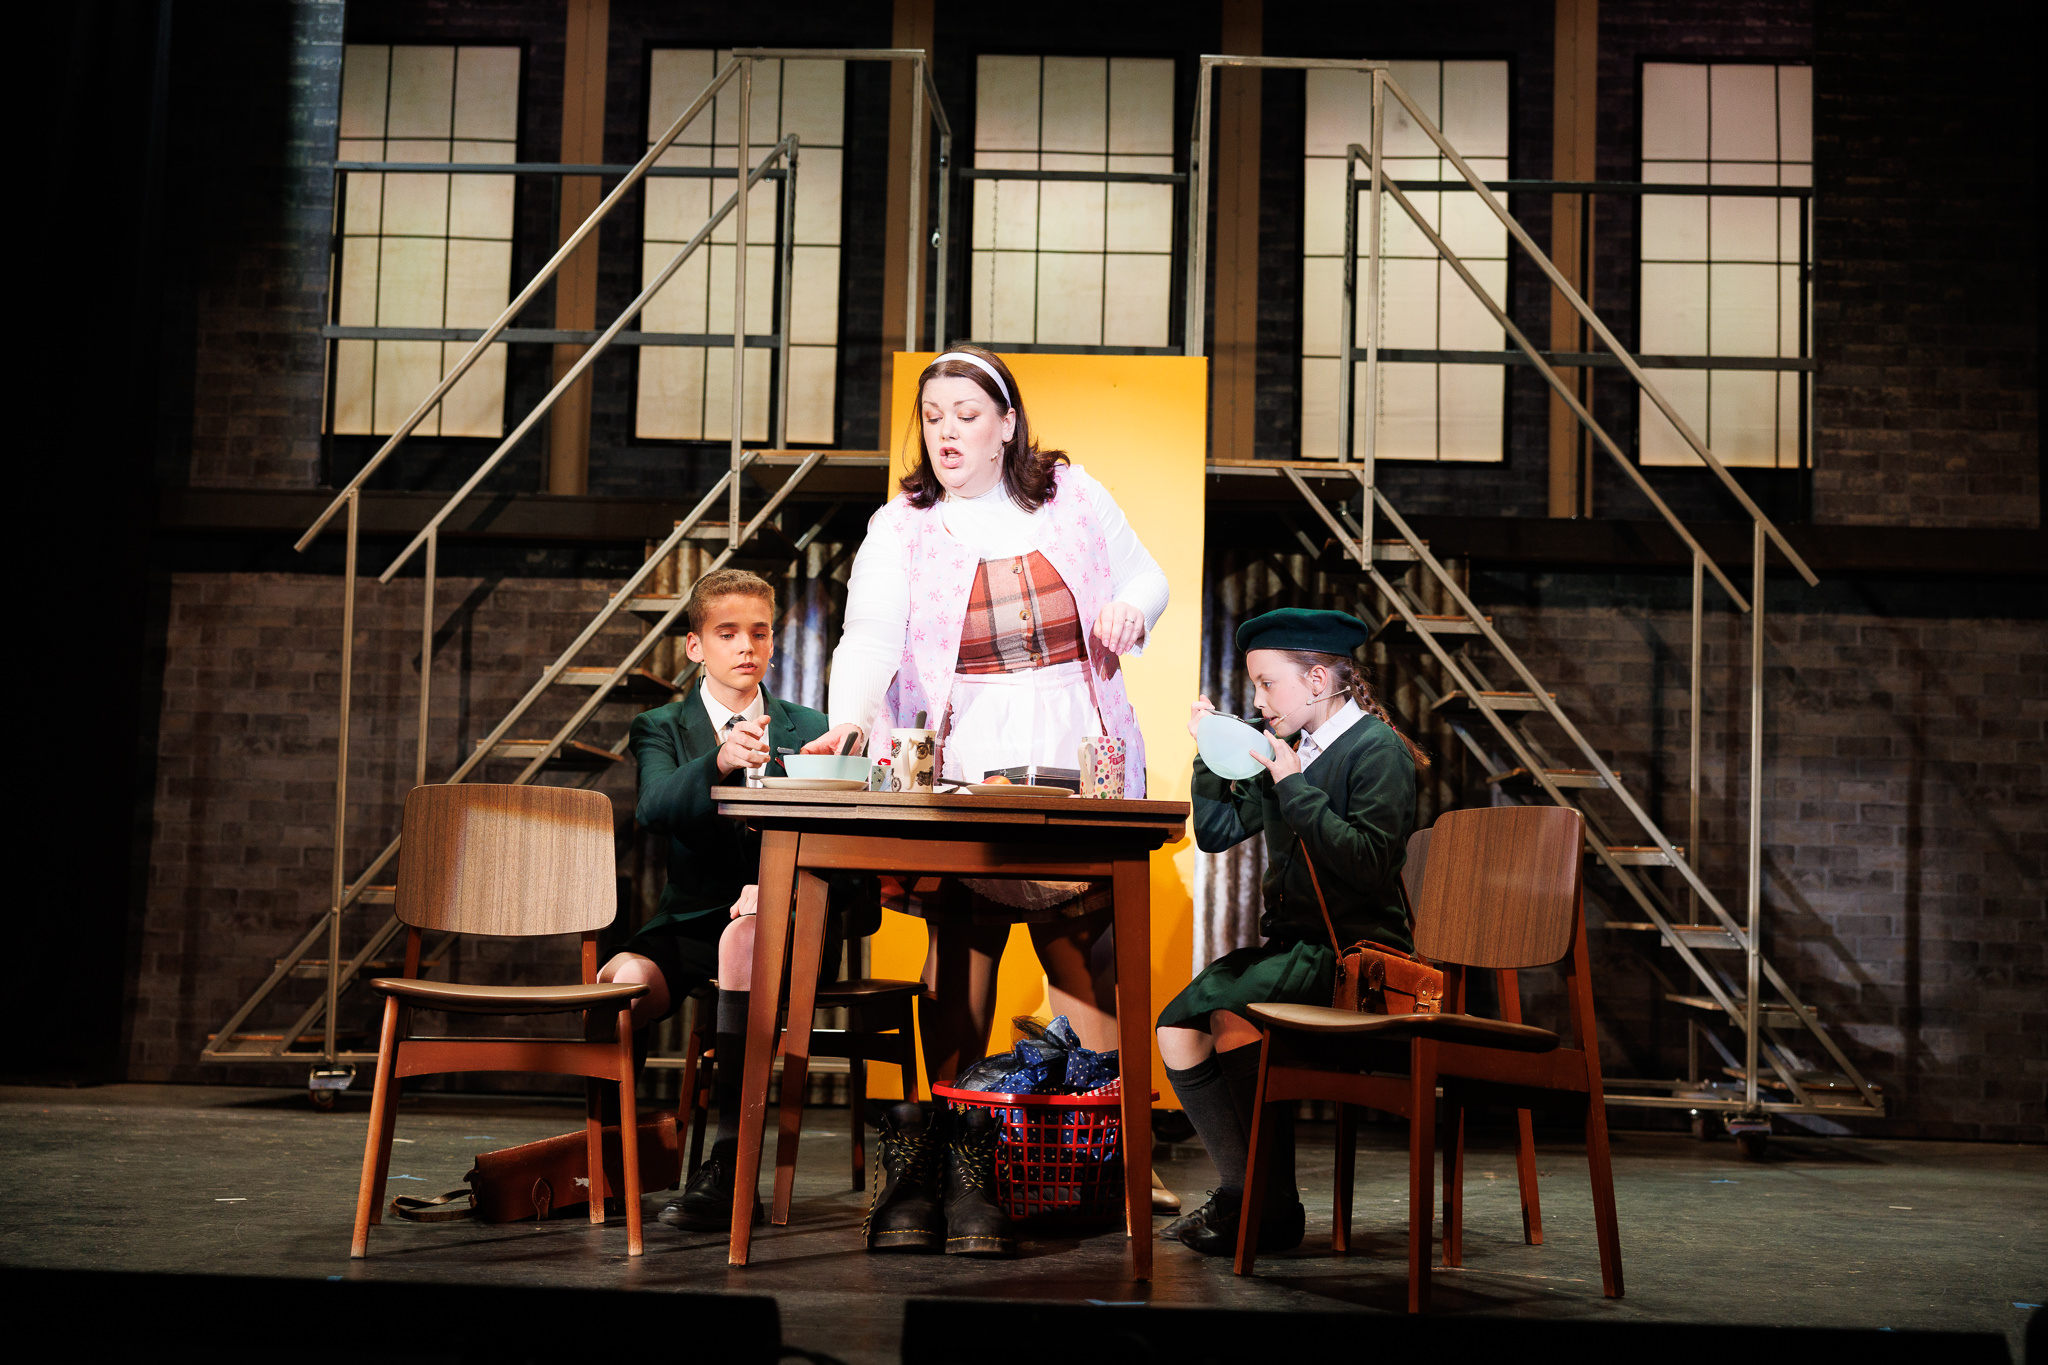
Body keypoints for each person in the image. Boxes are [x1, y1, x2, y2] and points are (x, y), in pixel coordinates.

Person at [803, 344, 1169, 1253]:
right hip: (966, 752)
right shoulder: (904, 524)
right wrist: (850, 720)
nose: (947, 432)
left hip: (1073, 744)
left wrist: (1134, 608)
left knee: (1084, 948)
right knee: (962, 952)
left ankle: (1098, 1153)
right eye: (933, 418)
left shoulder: (1071, 495)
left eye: (967, 415)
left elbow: (1145, 576)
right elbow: (869, 635)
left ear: (1007, 423)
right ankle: (961, 1157)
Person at [597, 568, 877, 1231]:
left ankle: (730, 1163)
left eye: (759, 632)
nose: (746, 647)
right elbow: (656, 807)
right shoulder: (662, 725)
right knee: (621, 984)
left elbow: (853, 855)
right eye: (727, 633)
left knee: (745, 935)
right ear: (696, 645)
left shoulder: (812, 726)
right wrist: (719, 760)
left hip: (789, 925)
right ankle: (608, 1166)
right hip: (692, 921)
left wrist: (781, 886)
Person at [1155, 607, 1429, 1256]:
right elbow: (1218, 831)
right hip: (1294, 950)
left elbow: (1368, 864)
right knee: (1176, 1028)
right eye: (1254, 686)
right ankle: (1246, 1192)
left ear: (1316, 680)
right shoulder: (1291, 750)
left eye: (1266, 683)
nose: (1258, 700)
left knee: (1234, 1013)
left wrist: (1295, 788)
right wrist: (1210, 751)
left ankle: (1264, 1206)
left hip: (1354, 955)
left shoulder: (1376, 750)